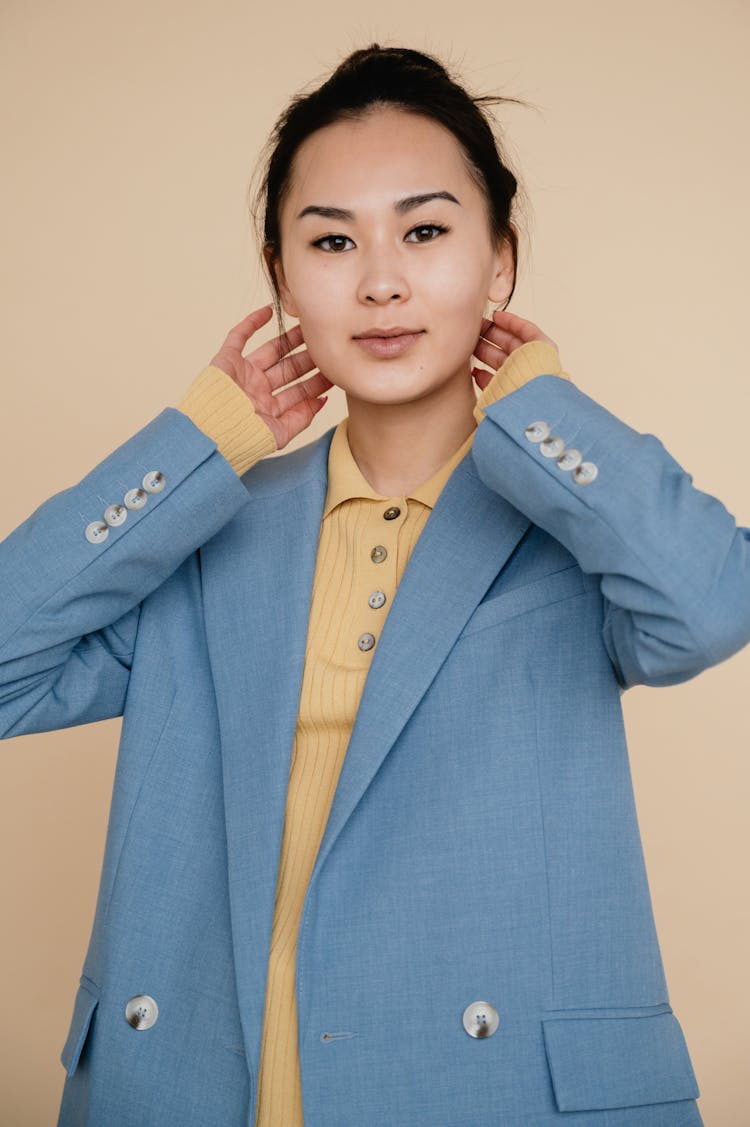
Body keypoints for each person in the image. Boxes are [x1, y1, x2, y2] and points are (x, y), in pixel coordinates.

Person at [1, 43, 748, 1127]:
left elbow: (713, 602)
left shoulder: (577, 524)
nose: (382, 280)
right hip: (208, 1089)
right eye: (334, 239)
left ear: (500, 263)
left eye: (428, 230)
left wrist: (548, 416)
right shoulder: (210, 528)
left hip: (487, 1097)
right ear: (280, 275)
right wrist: (201, 442)